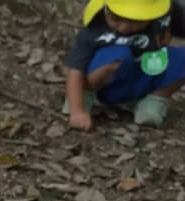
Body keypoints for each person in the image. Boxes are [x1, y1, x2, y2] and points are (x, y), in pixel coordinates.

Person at [65, 0, 185, 129]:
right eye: (116, 18)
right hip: (108, 81)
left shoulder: (165, 14)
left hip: (145, 73)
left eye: (136, 20)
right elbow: (75, 69)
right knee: (120, 54)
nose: (124, 27)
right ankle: (86, 95)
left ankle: (153, 100)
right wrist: (77, 110)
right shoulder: (95, 26)